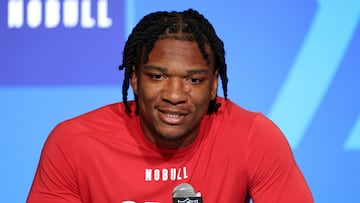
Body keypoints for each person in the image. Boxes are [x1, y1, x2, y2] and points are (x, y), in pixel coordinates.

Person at [27, 8, 313, 203]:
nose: (175, 95)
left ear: (214, 86)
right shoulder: (73, 144)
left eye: (193, 79)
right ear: (135, 79)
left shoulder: (253, 137)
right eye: (158, 76)